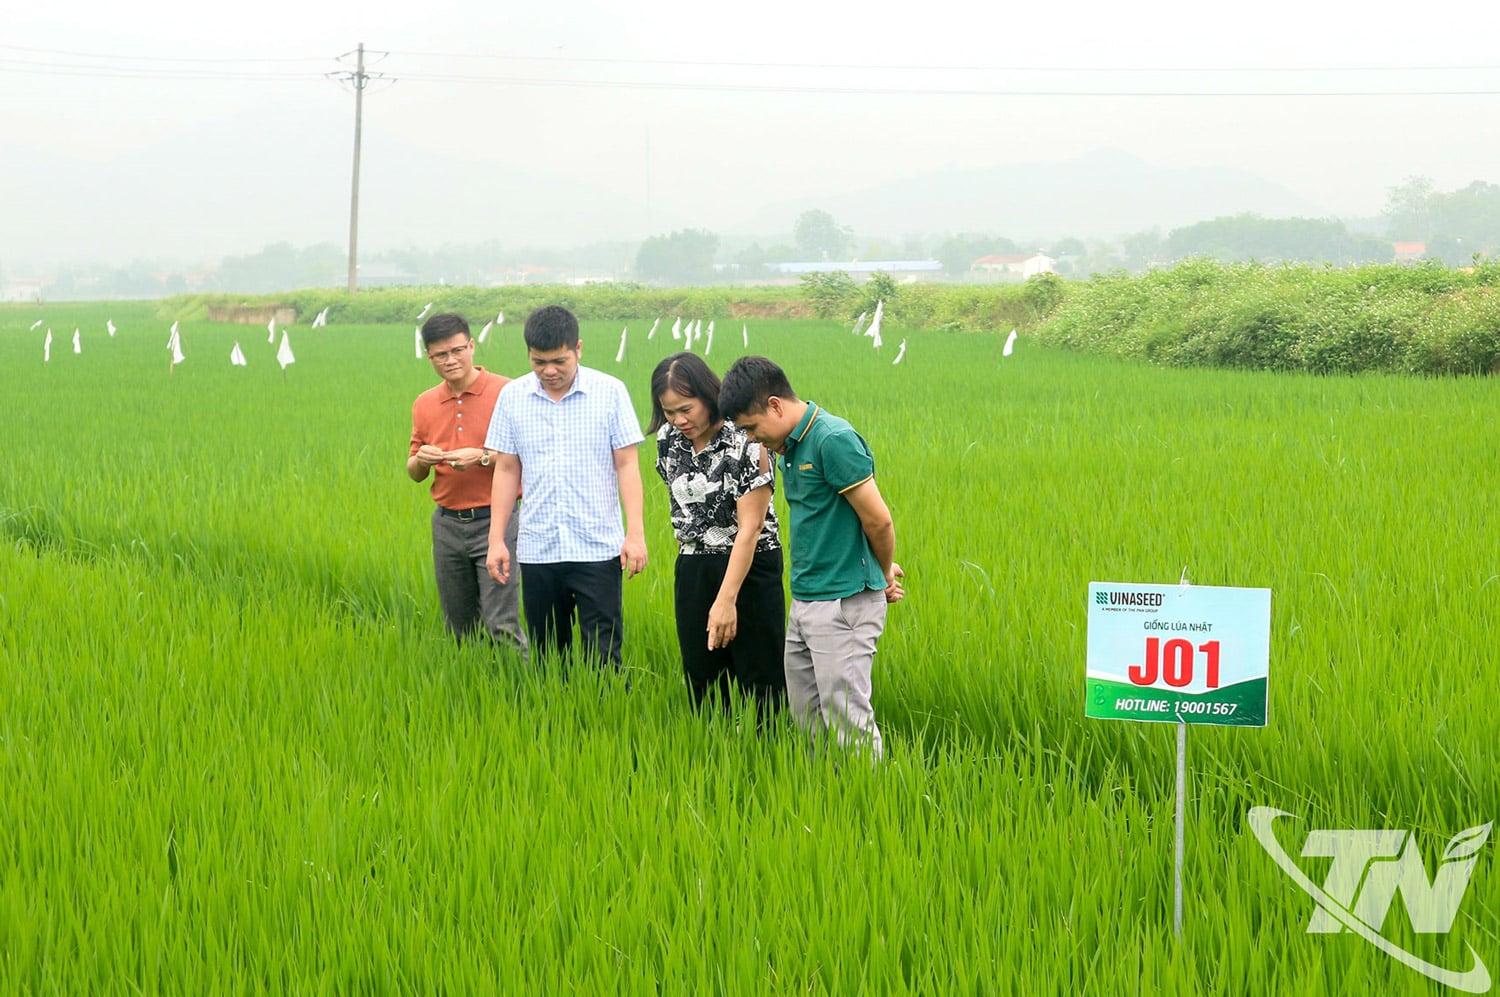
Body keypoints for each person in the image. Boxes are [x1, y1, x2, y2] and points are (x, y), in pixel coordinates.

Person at [718, 356, 904, 759]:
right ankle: (827, 801)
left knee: (847, 721)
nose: (751, 439)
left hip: (843, 603)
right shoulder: (789, 447)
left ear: (775, 405)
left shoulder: (832, 439)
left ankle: (871, 804)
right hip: (805, 599)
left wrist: (883, 570)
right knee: (807, 719)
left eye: (751, 427)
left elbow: (879, 521)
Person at [483, 305, 647, 669]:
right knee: (546, 655)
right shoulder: (512, 397)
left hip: (597, 546)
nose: (549, 371)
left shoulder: (610, 392)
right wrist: (496, 540)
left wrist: (634, 534)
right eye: (539, 362)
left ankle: (603, 719)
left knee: (603, 655)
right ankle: (553, 715)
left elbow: (627, 464)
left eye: (559, 360)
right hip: (539, 547)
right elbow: (507, 470)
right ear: (528, 354)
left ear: (578, 349)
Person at [647, 352, 787, 718]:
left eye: (685, 408)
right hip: (694, 564)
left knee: (761, 680)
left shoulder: (746, 439)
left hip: (750, 564)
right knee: (703, 679)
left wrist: (726, 600)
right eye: (668, 411)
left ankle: (769, 758)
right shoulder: (667, 441)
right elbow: (682, 506)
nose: (678, 420)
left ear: (708, 396)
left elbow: (750, 528)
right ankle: (715, 758)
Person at [407, 312, 527, 660]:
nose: (450, 361)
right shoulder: (425, 403)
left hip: (496, 520)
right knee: (459, 626)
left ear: (472, 346)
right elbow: (414, 470)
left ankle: (519, 694)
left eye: (457, 350)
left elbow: (528, 457)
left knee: (500, 622)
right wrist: (422, 460)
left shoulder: (507, 392)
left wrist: (483, 457)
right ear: (428, 356)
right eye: (439, 355)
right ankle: (471, 690)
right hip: (446, 524)